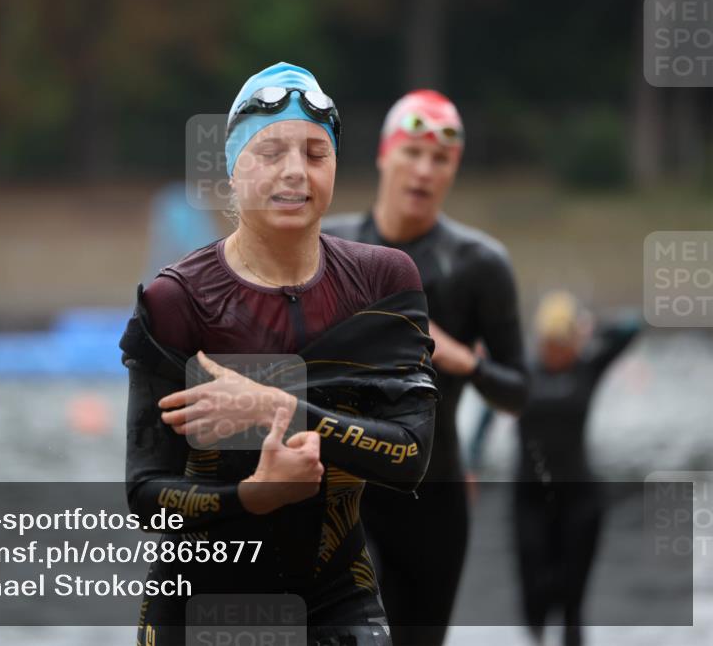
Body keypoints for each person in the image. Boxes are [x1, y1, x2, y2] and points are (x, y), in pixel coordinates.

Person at [120, 63, 440, 646]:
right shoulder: (178, 299)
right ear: (232, 169)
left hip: (338, 596)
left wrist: (276, 404)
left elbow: (410, 455)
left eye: (316, 153)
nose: (295, 171)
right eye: (271, 152)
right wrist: (253, 495)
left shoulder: (383, 282)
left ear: (336, 167)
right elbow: (146, 496)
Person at [323, 90, 528, 646]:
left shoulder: (479, 264)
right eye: (412, 152)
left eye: (440, 160)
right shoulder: (329, 246)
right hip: (342, 491)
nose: (423, 170)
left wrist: (462, 359)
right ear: (384, 155)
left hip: (433, 496)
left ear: (454, 169)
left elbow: (520, 392)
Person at [510, 291, 641, 646]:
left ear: (573, 341)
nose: (554, 351)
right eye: (547, 343)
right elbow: (481, 422)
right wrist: (472, 465)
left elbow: (632, 324)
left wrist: (590, 326)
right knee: (535, 599)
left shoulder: (588, 366)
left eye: (561, 343)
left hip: (580, 499)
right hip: (531, 498)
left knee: (572, 605)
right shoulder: (521, 370)